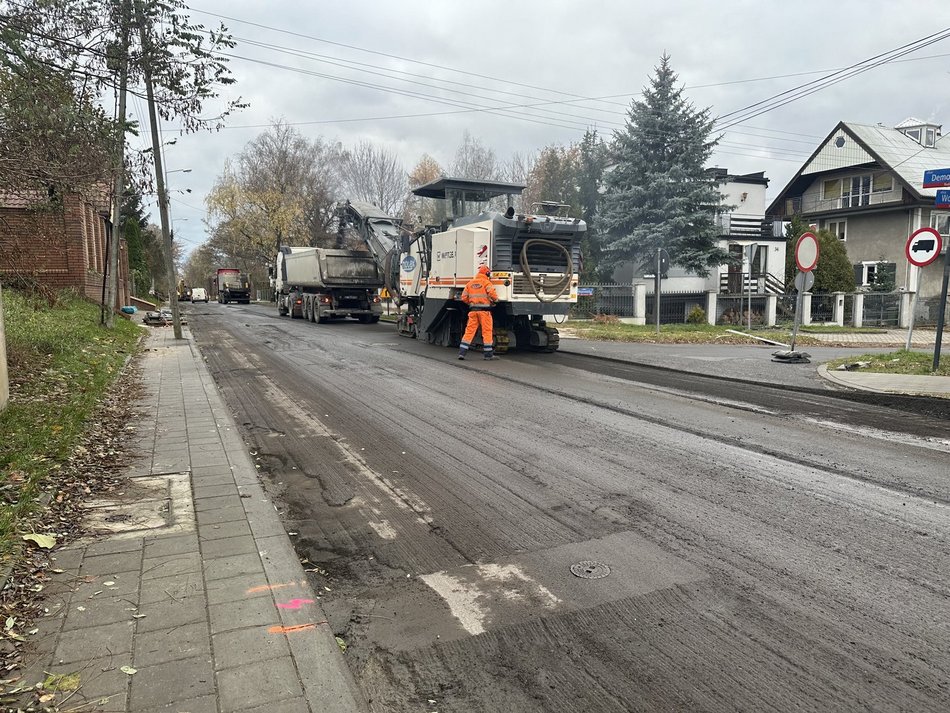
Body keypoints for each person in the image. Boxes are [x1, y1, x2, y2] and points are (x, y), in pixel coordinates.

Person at [458, 265, 499, 360]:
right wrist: (496, 300)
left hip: (473, 312)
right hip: (485, 312)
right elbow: (492, 294)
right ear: (487, 273)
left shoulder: (470, 283)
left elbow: (464, 298)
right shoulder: (486, 283)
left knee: (469, 332)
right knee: (487, 332)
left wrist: (472, 303)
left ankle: (462, 353)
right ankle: (488, 355)